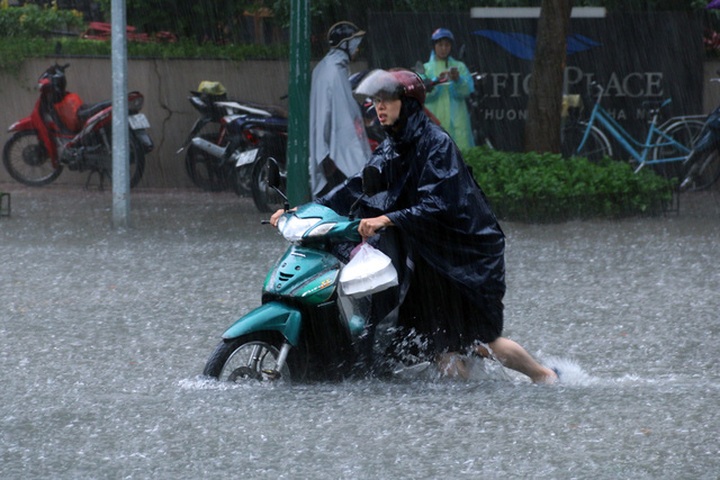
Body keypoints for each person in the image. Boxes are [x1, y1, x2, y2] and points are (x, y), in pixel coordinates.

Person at [272, 68, 557, 384]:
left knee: (479, 338)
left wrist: (388, 218)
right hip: (426, 254)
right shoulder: (394, 145)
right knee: (437, 340)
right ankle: (466, 401)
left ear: (407, 104)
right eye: (376, 101)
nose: (379, 108)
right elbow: (357, 185)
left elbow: (439, 203)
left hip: (464, 257)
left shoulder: (436, 144)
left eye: (387, 100)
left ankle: (543, 376)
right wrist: (309, 210)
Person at [309, 21, 372, 198]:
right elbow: (338, 114)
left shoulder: (327, 68)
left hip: (330, 150)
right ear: (344, 44)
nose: (357, 50)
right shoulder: (334, 72)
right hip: (336, 154)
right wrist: (328, 153)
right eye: (355, 45)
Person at [421, 28, 475, 151]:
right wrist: (436, 81)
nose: (444, 48)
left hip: (458, 122)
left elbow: (467, 90)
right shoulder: (425, 69)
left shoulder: (460, 67)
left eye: (447, 45)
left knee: (461, 158)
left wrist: (458, 80)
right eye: (440, 45)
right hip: (433, 120)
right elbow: (422, 94)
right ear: (434, 46)